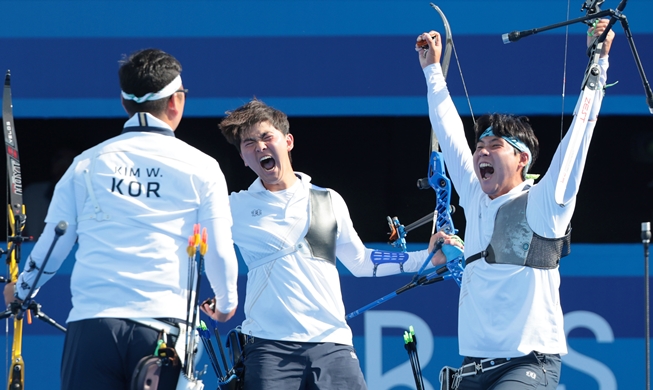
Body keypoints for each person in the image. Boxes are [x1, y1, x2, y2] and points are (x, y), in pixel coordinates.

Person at [3, 48, 239, 390]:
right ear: (175, 102)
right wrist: (227, 302)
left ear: (125, 102)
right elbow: (218, 249)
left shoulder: (85, 163)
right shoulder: (202, 167)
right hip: (165, 330)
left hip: (92, 329)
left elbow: (55, 241)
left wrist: (20, 291)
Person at [201, 98, 462, 390]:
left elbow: (361, 261)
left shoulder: (328, 199)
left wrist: (426, 258)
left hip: (333, 346)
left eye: (266, 137)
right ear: (243, 158)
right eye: (248, 143)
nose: (259, 147)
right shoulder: (233, 206)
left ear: (288, 141)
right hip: (268, 348)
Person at [415, 19, 615, 389]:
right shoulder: (475, 193)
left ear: (522, 159)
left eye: (495, 146)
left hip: (529, 363)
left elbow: (579, 135)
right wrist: (432, 70)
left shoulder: (544, 203)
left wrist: (598, 62)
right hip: (473, 365)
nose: (481, 152)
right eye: (480, 147)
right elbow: (448, 131)